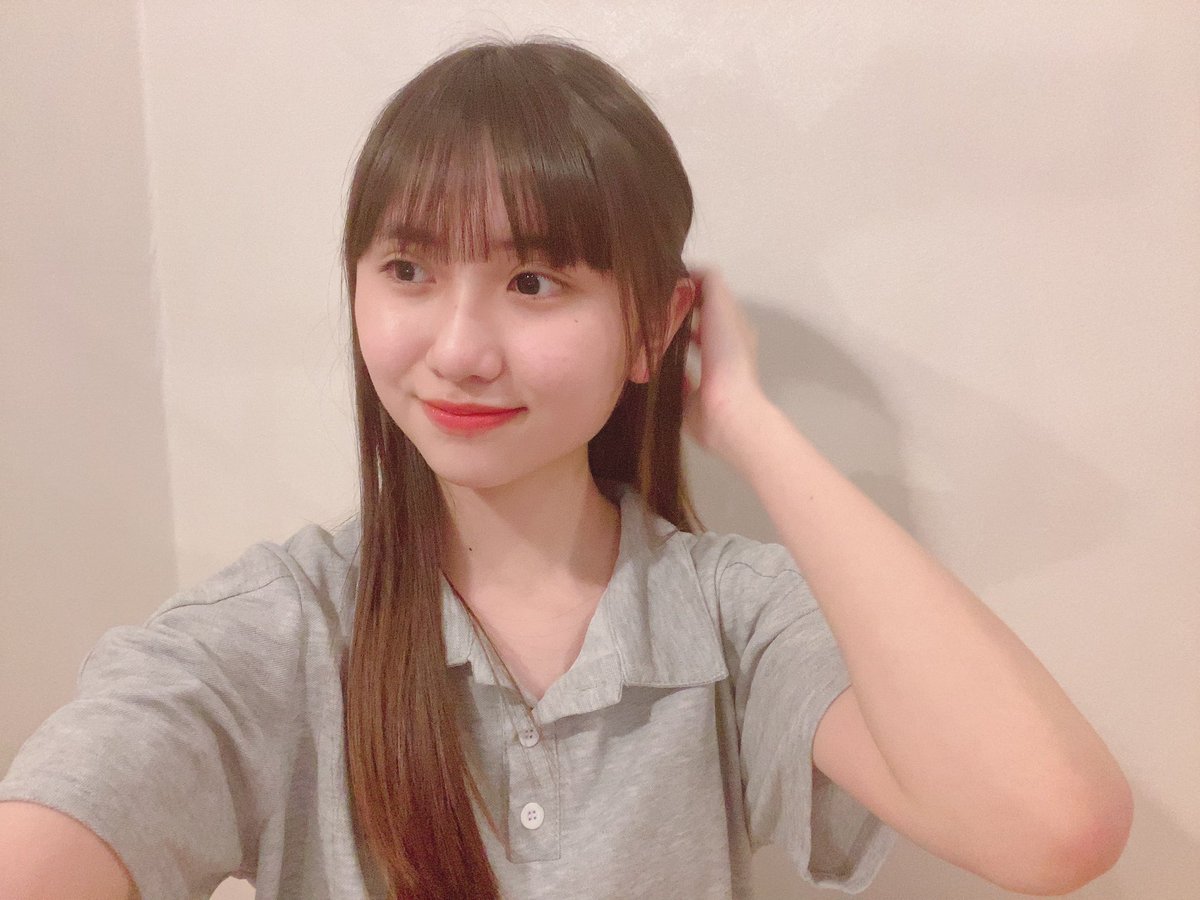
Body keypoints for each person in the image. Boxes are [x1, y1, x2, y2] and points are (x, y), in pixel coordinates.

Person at [0, 35, 1131, 900]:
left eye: (534, 282)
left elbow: (1053, 828)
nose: (458, 349)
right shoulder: (275, 631)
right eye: (408, 270)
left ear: (655, 326)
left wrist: (747, 421)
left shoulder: (733, 618)